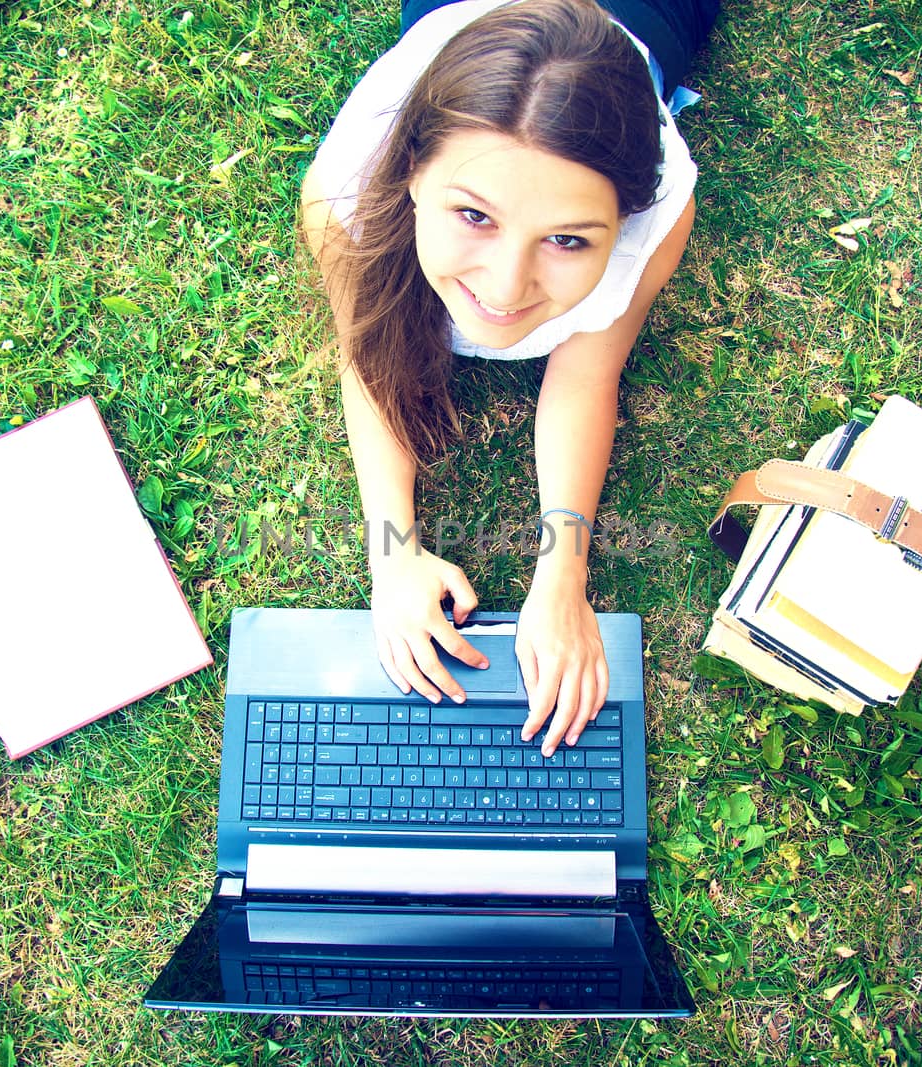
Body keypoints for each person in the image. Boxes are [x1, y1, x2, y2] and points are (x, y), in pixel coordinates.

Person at [300, 0, 715, 757]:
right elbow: (369, 357)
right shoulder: (345, 201)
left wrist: (564, 575)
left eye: (566, 239)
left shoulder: (662, 215)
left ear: (623, 221)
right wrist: (391, 558)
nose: (506, 285)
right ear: (414, 172)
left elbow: (587, 374)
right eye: (475, 216)